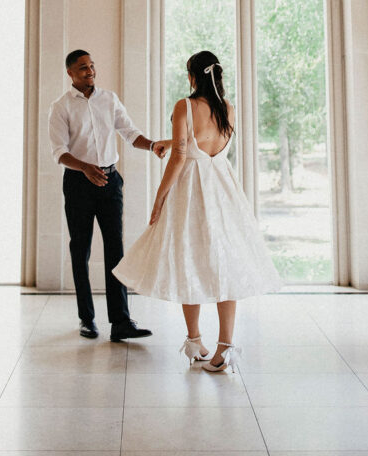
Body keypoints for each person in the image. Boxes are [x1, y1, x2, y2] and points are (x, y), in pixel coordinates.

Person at [113, 50, 282, 371]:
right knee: (225, 265)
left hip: (191, 190)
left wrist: (160, 196)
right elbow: (203, 142)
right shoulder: (228, 109)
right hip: (222, 191)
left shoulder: (184, 106)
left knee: (189, 258)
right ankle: (225, 348)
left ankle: (194, 341)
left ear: (193, 76)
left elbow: (180, 154)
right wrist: (168, 140)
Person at [48, 49, 166, 341]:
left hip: (110, 182)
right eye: (82, 68)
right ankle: (87, 319)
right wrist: (85, 168)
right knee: (81, 250)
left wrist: (152, 146)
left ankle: (121, 322)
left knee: (116, 249)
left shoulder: (109, 99)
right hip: (78, 183)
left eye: (91, 66)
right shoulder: (60, 107)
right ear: (70, 73)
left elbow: (129, 132)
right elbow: (59, 152)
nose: (89, 71)